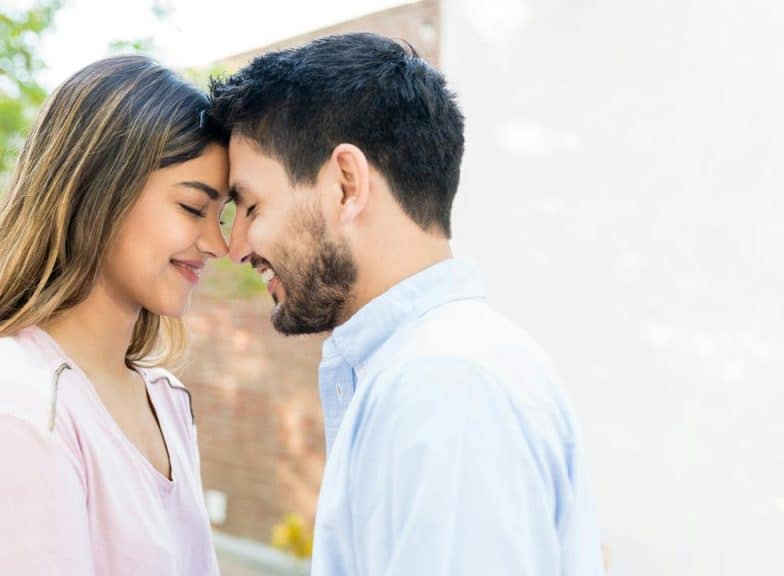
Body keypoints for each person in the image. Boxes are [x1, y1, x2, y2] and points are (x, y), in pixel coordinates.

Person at [211, 33, 605, 575]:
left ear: (346, 185)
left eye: (251, 205)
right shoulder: (443, 368)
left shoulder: (443, 385)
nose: (235, 248)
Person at [0, 55, 230, 575]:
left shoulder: (165, 399)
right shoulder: (8, 399)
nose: (218, 243)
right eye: (192, 208)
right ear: (100, 190)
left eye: (222, 214)